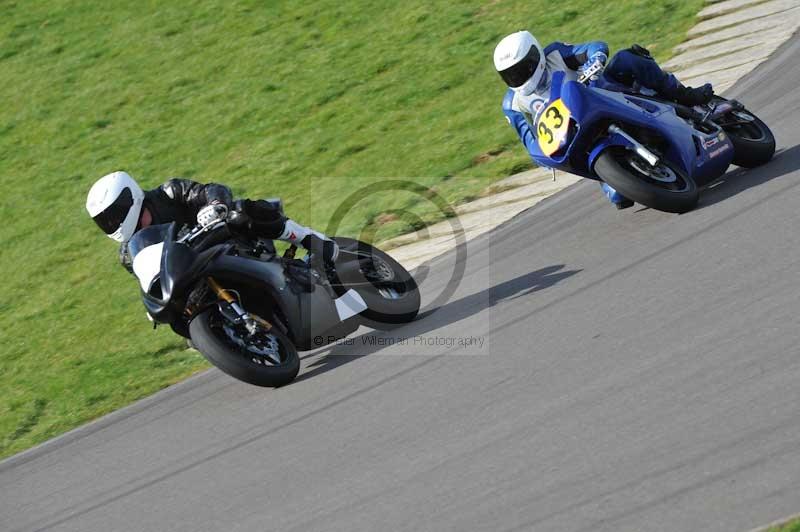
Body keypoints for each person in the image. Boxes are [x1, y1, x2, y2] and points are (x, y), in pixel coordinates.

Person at [493, 31, 714, 209]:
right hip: (576, 136)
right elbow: (528, 137)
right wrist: (541, 157)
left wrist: (595, 58)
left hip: (601, 93)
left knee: (627, 59)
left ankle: (683, 95)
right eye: (510, 74)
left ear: (535, 57)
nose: (517, 78)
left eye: (522, 70)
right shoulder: (512, 103)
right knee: (620, 197)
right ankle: (627, 171)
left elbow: (591, 47)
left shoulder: (555, 54)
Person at [85, 171, 338, 272]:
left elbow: (210, 190)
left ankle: (306, 237)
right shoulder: (129, 254)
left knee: (239, 212)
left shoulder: (169, 192)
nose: (113, 223)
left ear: (129, 200)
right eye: (105, 221)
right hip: (195, 268)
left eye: (113, 215)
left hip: (228, 241)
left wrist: (214, 205)